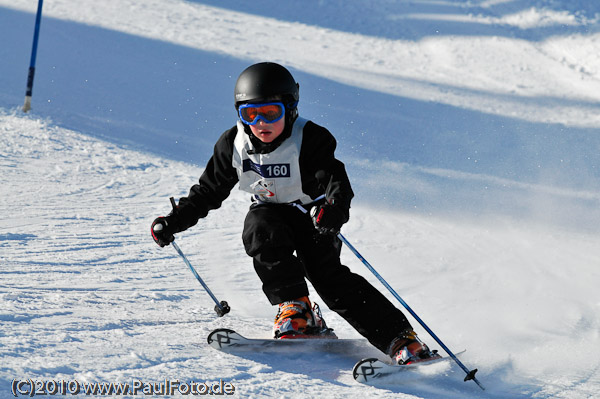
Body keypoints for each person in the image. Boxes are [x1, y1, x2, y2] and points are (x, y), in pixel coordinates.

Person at [151, 62, 437, 365]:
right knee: (260, 227)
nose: (260, 122)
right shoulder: (233, 145)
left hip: (313, 217)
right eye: (250, 113)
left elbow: (336, 181)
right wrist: (174, 221)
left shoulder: (310, 139)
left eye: (270, 112)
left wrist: (333, 211)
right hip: (270, 216)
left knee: (329, 279)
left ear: (290, 108)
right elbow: (208, 191)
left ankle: (399, 339)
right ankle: (297, 309)